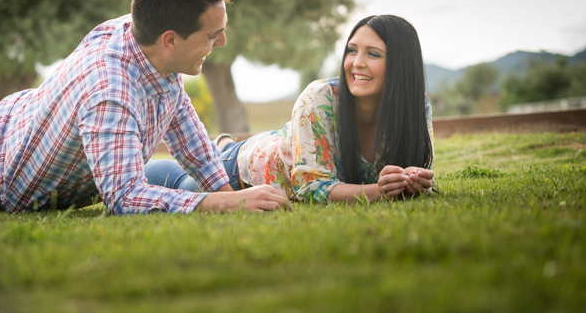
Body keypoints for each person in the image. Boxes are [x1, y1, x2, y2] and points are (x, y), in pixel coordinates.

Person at [0, 0, 292, 214]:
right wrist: (223, 202)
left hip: (8, 126)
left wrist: (230, 194)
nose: (224, 42)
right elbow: (124, 195)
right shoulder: (110, 92)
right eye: (212, 35)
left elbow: (185, 130)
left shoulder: (148, 36)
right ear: (170, 40)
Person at [144, 14, 435, 203]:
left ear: (400, 64)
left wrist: (411, 181)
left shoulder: (416, 105)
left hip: (281, 145)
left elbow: (419, 170)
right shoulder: (320, 97)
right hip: (238, 174)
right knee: (187, 187)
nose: (357, 62)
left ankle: (223, 144)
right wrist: (379, 193)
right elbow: (312, 187)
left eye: (373, 54)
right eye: (351, 50)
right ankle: (221, 149)